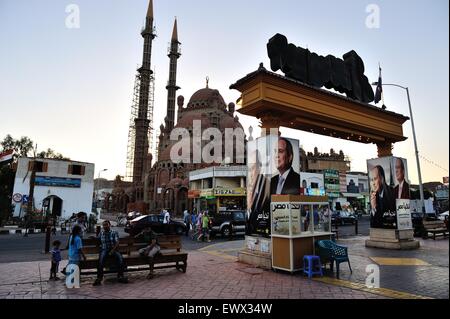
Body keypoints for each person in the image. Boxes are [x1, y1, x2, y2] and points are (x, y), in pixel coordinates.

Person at [93, 220, 128, 286]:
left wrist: (112, 251)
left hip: (113, 249)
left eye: (106, 225)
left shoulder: (114, 232)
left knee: (120, 259)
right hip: (104, 249)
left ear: (109, 225)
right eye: (104, 225)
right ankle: (99, 278)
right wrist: (94, 238)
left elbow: (117, 242)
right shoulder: (101, 232)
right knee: (101, 261)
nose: (105, 226)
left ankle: (120, 276)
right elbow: (98, 239)